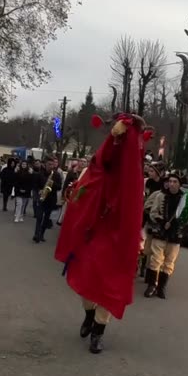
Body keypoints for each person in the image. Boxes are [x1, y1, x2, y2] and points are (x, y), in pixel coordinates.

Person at [56, 113, 151, 354]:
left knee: (112, 285)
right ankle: (89, 315)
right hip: (95, 230)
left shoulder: (133, 179)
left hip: (118, 236)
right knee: (85, 278)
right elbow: (99, 167)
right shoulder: (100, 170)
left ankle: (98, 332)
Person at [142, 172, 188, 299]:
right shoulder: (160, 196)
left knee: (169, 262)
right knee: (155, 259)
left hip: (175, 235)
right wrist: (162, 221)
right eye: (170, 181)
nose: (171, 184)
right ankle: (152, 285)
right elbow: (153, 213)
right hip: (160, 232)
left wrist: (180, 222)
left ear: (179, 184)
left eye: (174, 182)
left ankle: (161, 287)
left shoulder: (185, 199)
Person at [34, 159, 64, 244]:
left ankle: (42, 234)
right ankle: (36, 235)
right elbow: (35, 185)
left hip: (51, 199)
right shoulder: (40, 174)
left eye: (52, 165)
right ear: (45, 165)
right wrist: (39, 190)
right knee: (39, 217)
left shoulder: (57, 175)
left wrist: (52, 183)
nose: (51, 166)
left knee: (46, 218)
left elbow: (59, 187)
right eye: (49, 164)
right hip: (42, 198)